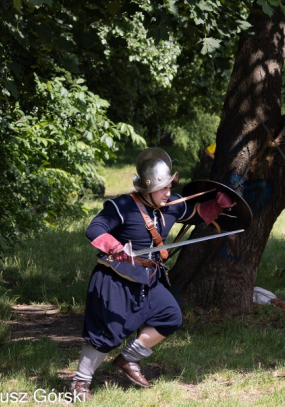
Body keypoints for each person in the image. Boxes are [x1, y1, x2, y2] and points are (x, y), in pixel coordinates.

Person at [70, 148, 233, 400]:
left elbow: (198, 214)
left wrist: (217, 205)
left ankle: (128, 360)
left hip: (148, 278)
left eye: (170, 186)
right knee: (107, 333)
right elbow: (95, 228)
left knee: (170, 316)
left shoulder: (171, 206)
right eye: (163, 188)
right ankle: (80, 383)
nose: (168, 192)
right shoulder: (123, 205)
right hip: (116, 279)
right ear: (147, 188)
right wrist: (115, 247)